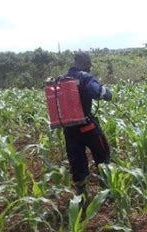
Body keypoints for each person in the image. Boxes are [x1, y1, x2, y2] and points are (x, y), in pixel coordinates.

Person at [63, 51, 112, 206]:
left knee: (76, 159)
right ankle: (107, 190)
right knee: (102, 153)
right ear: (84, 62)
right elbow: (98, 92)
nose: (90, 66)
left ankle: (81, 195)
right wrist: (108, 93)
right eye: (89, 63)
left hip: (69, 129)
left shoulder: (63, 78)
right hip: (87, 126)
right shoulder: (85, 77)